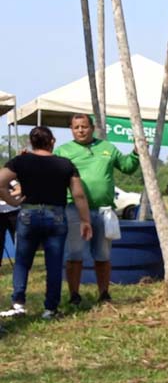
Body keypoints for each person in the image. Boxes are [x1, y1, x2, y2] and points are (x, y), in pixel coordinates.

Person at [0, 126, 93, 318]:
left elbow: (0, 182)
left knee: (23, 262)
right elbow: (79, 195)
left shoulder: (20, 161)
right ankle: (50, 308)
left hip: (28, 214)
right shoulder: (65, 164)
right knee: (54, 262)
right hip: (56, 215)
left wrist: (11, 200)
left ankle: (18, 304)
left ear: (31, 143)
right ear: (52, 141)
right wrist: (85, 220)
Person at [55, 113, 139, 305]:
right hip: (74, 210)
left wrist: (136, 153)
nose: (80, 130)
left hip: (104, 211)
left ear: (92, 128)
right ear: (71, 130)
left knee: (103, 255)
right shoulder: (63, 151)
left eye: (84, 126)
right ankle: (74, 295)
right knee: (74, 254)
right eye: (76, 127)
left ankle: (104, 293)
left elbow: (127, 167)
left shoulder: (107, 147)